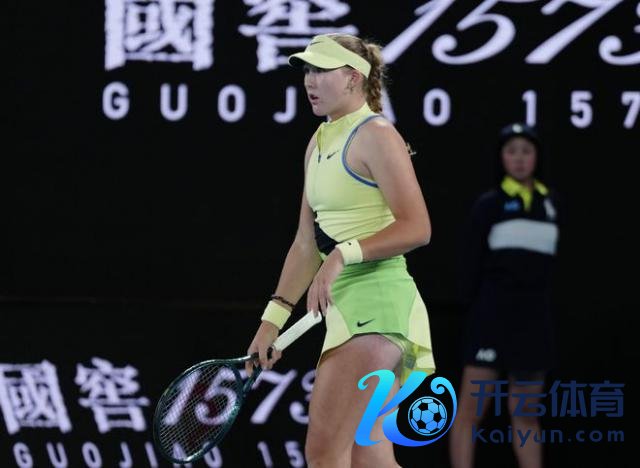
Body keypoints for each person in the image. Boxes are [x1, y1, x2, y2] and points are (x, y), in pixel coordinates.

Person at [244, 34, 436, 468]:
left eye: (321, 70)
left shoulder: (377, 134)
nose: (309, 81)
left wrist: (342, 254)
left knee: (325, 454)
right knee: (370, 458)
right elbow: (304, 244)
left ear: (352, 78)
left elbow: (417, 227)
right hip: (348, 311)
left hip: (377, 309)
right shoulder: (318, 142)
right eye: (307, 71)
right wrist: (271, 322)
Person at [449, 123, 561, 468]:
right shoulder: (489, 205)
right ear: (501, 158)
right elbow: (468, 266)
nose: (519, 158)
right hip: (491, 320)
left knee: (526, 414)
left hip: (534, 324)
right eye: (511, 151)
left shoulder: (551, 204)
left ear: (537, 157)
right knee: (470, 412)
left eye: (526, 151)